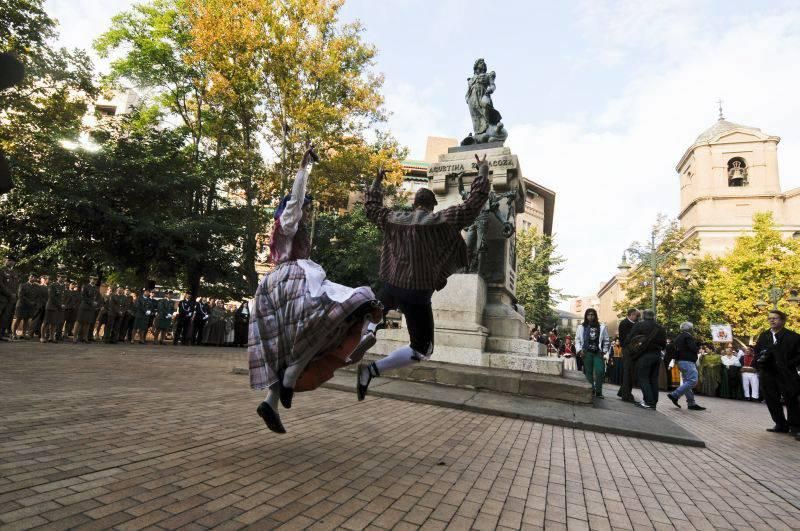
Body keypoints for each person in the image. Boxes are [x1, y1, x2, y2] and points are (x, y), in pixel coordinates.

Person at [249, 145, 380, 434]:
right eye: (305, 207)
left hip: (270, 291)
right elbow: (294, 202)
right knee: (347, 306)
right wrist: (303, 168)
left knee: (282, 346)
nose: (307, 210)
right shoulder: (287, 223)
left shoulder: (285, 233)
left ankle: (270, 402)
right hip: (291, 280)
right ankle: (295, 371)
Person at [357, 154, 491, 400]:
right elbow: (472, 205)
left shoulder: (394, 219)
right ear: (432, 206)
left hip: (391, 285)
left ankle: (369, 329)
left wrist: (377, 181)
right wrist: (482, 172)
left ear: (414, 203)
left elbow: (371, 208)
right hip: (417, 294)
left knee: (376, 307)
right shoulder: (441, 220)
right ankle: (372, 370)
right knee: (422, 349)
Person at [754, 310, 800, 436]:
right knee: (771, 399)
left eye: (775, 318)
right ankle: (780, 424)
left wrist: (788, 364)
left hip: (786, 373)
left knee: (791, 399)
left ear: (783, 320)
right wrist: (760, 362)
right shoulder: (764, 336)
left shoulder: (793, 337)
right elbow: (757, 352)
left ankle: (795, 426)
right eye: (770, 318)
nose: (772, 320)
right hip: (767, 372)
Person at [628, 309, 667, 409]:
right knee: (653, 379)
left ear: (643, 316)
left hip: (644, 355)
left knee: (643, 378)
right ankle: (653, 402)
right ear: (653, 316)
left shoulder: (639, 325)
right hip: (657, 355)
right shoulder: (660, 328)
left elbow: (630, 338)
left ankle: (649, 402)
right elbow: (663, 345)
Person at [665, 322, 706, 411]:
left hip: (680, 362)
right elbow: (693, 349)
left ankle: (691, 403)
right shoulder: (688, 336)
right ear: (690, 329)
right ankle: (675, 394)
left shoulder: (678, 337)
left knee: (687, 382)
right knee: (693, 380)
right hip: (688, 361)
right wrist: (698, 345)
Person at [575, 308, 610, 398]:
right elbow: (577, 340)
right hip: (586, 352)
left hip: (598, 352)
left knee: (600, 371)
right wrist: (579, 350)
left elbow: (606, 340)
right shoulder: (581, 327)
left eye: (592, 315)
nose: (591, 316)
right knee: (588, 372)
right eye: (589, 315)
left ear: (595, 316)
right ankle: (591, 390)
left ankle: (598, 391)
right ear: (586, 316)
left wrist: (604, 351)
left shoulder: (601, 326)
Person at [617, 308, 641, 402]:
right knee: (628, 372)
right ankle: (626, 395)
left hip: (630, 350)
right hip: (628, 350)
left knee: (630, 372)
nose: (638, 318)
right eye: (636, 316)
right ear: (631, 314)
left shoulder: (632, 323)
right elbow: (627, 338)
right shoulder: (625, 323)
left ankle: (623, 392)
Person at [73, 275, 100, 343]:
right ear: (90, 279)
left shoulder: (96, 288)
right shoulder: (85, 286)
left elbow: (98, 297)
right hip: (84, 306)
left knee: (87, 322)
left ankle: (85, 337)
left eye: (95, 280)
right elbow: (83, 296)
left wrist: (97, 303)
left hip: (91, 308)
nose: (94, 281)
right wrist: (91, 302)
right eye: (93, 279)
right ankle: (75, 337)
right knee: (79, 321)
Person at [11, 273, 38, 340]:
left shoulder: (36, 287)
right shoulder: (22, 285)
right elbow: (20, 296)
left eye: (34, 277)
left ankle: (23, 334)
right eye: (32, 276)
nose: (33, 278)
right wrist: (30, 302)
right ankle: (13, 334)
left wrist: (34, 303)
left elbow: (37, 296)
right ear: (28, 277)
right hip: (21, 305)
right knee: (18, 319)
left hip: (30, 306)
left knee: (26, 320)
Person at [0, 255, 19, 339]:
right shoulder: (1, 270)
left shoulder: (14, 273)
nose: (11, 262)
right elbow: (1, 285)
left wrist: (15, 294)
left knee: (6, 316)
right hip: (2, 297)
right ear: (5, 261)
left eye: (12, 261)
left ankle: (2, 333)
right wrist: (9, 293)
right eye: (9, 260)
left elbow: (15, 285)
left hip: (11, 299)